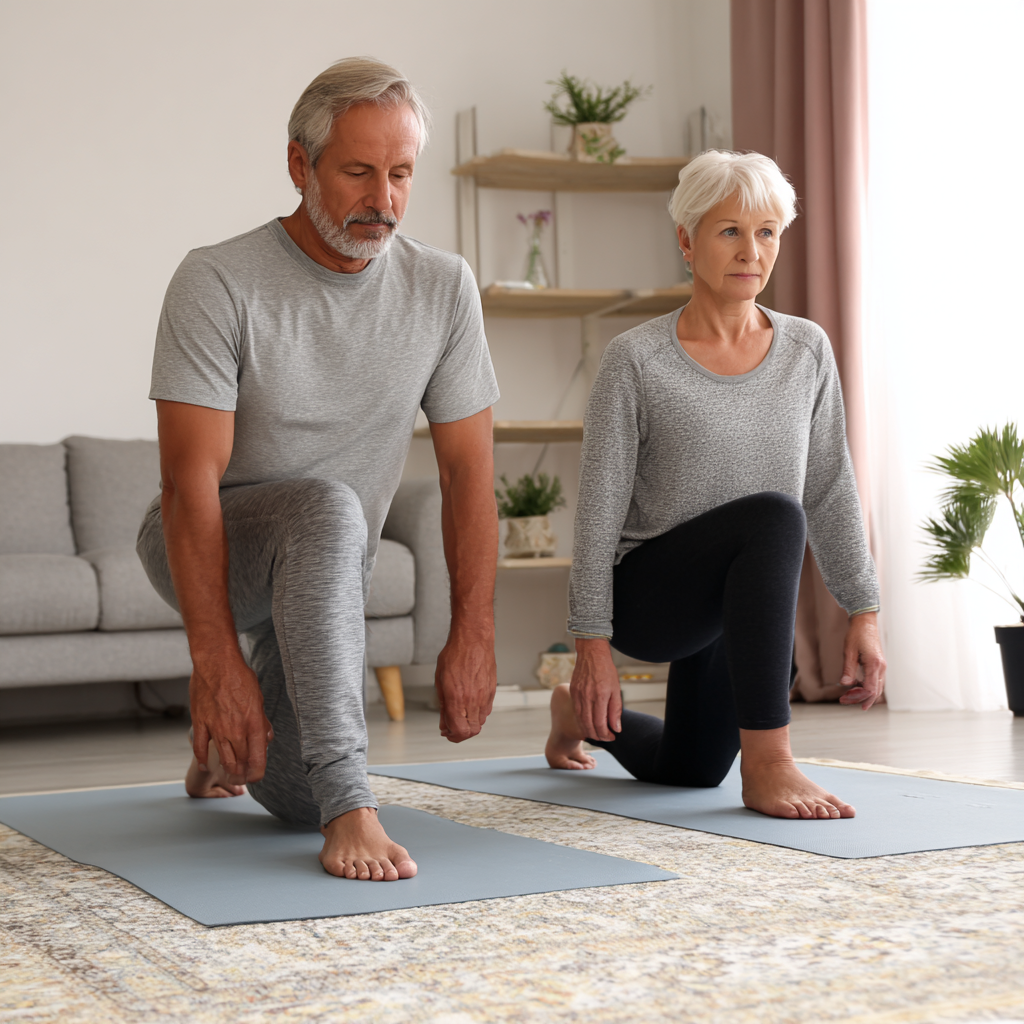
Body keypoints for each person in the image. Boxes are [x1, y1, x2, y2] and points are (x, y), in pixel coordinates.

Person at [138, 58, 500, 880]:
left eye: (401, 174)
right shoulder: (217, 280)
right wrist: (214, 661)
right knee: (328, 509)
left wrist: (470, 634)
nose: (384, 200)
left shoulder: (444, 288)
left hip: (326, 575)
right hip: (207, 544)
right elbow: (186, 485)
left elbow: (468, 476)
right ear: (301, 167)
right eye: (358, 172)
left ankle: (241, 758)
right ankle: (351, 810)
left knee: (289, 790)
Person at [545, 150, 885, 820]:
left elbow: (830, 486)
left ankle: (573, 718)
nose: (750, 250)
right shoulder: (636, 359)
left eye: (766, 232)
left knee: (691, 769)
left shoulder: (806, 350)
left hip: (740, 613)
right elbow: (599, 509)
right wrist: (591, 645)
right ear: (686, 241)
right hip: (651, 598)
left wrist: (864, 611)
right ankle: (771, 761)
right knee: (775, 519)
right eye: (729, 230)